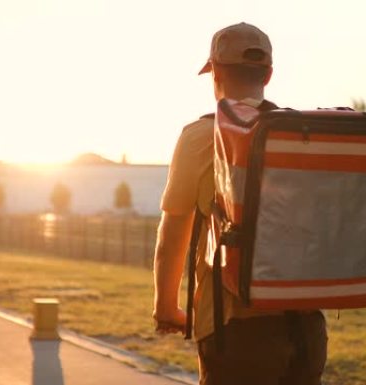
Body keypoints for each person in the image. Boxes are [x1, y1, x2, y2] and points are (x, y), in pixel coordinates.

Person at [152, 22, 328, 385]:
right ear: (268, 74)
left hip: (236, 330)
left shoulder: (201, 137)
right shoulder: (302, 135)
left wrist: (166, 308)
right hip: (308, 330)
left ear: (214, 71)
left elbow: (173, 236)